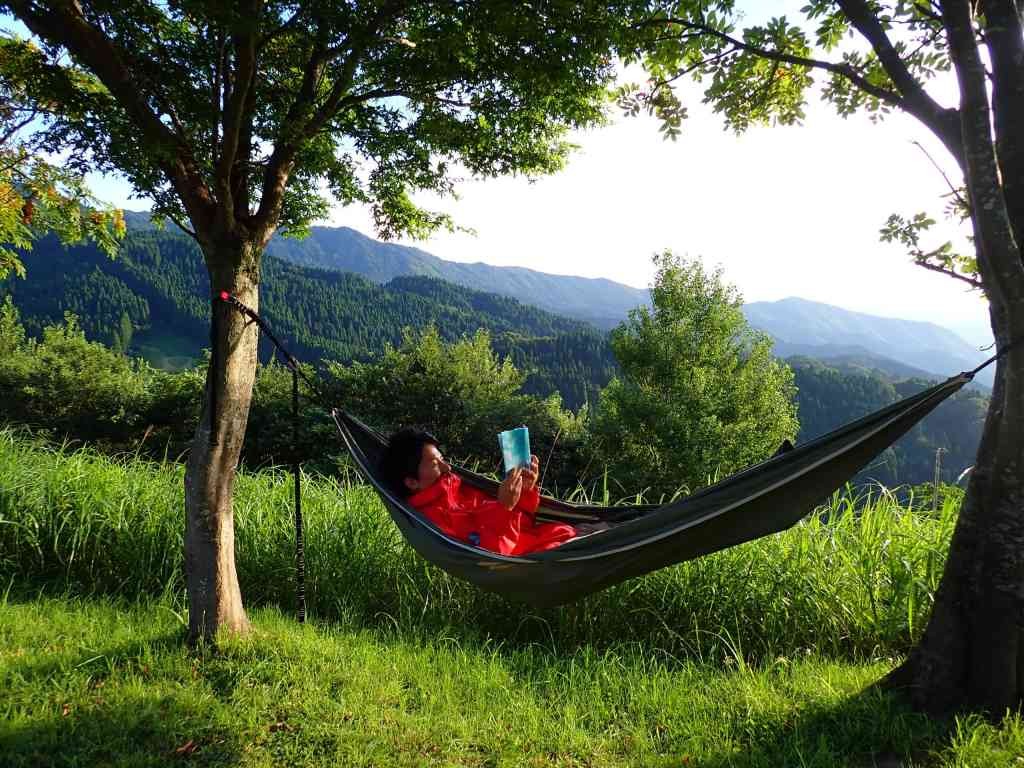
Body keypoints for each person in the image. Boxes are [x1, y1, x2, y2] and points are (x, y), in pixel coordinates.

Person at [379, 427, 577, 556]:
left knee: (570, 532)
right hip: (533, 559)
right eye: (434, 464)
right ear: (412, 482)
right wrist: (505, 508)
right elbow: (491, 558)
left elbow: (522, 523)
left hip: (545, 539)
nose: (447, 467)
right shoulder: (433, 522)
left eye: (442, 458)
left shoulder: (458, 489)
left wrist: (523, 491)